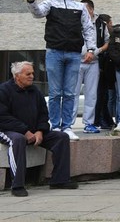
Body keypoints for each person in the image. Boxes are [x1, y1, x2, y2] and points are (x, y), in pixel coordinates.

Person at [22, 0, 96, 139]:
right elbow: (38, 13)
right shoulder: (50, 3)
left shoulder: (80, 7)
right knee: (55, 92)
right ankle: (55, 126)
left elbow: (88, 28)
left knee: (70, 92)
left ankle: (67, 126)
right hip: (54, 52)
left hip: (74, 53)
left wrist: (91, 49)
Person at [0, 61, 78, 197]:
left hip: (33, 131)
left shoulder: (35, 91)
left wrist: (40, 131)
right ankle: (17, 185)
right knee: (18, 140)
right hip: (7, 130)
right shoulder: (3, 91)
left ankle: (59, 180)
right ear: (17, 76)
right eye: (28, 74)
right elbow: (3, 117)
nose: (32, 76)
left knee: (61, 137)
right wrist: (25, 131)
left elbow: (43, 114)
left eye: (32, 73)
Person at [76, 0, 110, 135]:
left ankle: (89, 123)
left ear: (91, 9)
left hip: (94, 62)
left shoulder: (101, 23)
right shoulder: (74, 21)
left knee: (91, 93)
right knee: (73, 93)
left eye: (84, 9)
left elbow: (107, 41)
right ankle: (68, 124)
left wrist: (97, 51)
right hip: (77, 61)